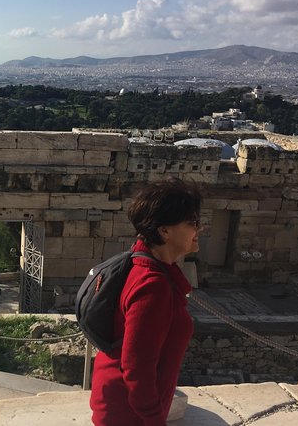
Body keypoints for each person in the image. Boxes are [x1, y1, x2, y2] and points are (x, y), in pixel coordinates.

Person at [89, 178, 202, 426]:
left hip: (126, 405)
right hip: (129, 414)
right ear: (164, 231)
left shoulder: (148, 265)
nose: (199, 229)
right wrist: (153, 420)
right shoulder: (153, 285)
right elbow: (137, 367)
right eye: (192, 222)